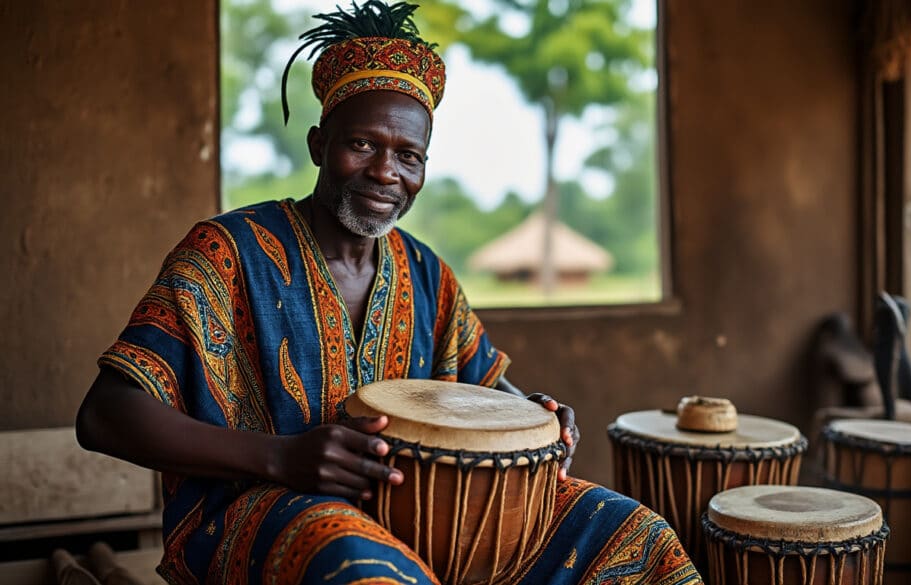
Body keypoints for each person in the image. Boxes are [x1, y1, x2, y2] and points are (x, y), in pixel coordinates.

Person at [76, 2, 702, 583]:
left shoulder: (428, 274)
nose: (385, 172)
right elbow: (104, 415)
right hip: (252, 510)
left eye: (409, 155)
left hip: (425, 512)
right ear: (319, 144)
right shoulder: (226, 253)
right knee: (359, 561)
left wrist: (536, 417)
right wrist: (280, 459)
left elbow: (486, 394)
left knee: (635, 536)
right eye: (362, 144)